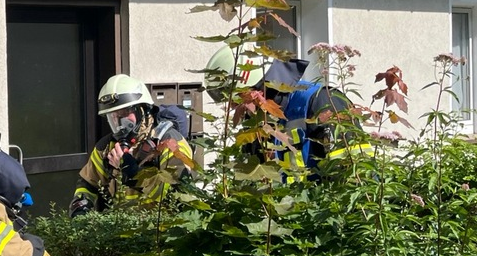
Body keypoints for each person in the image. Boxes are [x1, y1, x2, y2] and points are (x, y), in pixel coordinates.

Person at [201, 44, 373, 177]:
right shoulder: (257, 120)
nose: (236, 110)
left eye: (237, 100)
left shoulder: (323, 101)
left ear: (255, 88)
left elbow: (355, 175)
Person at [70, 74, 195, 216]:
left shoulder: (170, 144)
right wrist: (80, 207)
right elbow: (88, 184)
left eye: (124, 114)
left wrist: (136, 176)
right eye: (113, 117)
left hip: (161, 234)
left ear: (144, 110)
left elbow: (181, 200)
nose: (119, 124)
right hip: (122, 233)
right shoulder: (106, 148)